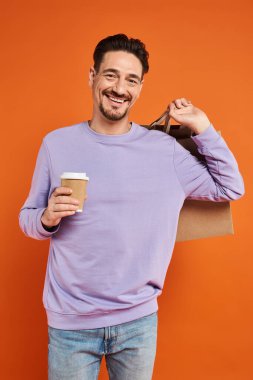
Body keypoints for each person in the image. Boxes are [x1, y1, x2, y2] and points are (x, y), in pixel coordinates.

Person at [19, 34, 245, 380]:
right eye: (110, 75)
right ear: (91, 76)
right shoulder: (56, 143)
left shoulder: (163, 150)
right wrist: (48, 218)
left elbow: (231, 186)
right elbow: (28, 219)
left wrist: (203, 127)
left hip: (137, 322)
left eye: (131, 79)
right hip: (70, 324)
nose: (119, 88)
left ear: (140, 88)